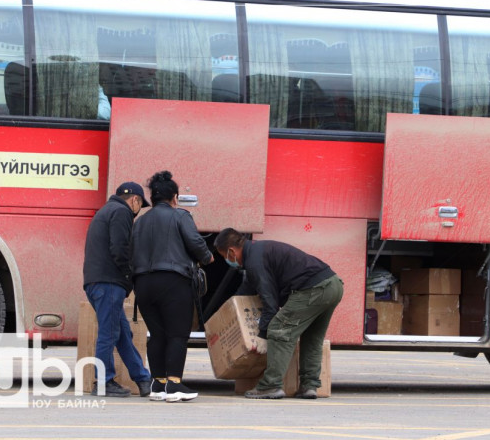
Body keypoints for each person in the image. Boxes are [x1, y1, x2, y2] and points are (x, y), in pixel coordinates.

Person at [213, 228, 343, 399]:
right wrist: (228, 310)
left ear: (231, 251)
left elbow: (270, 303)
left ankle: (270, 385)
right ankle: (309, 385)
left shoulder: (254, 260)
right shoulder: (257, 252)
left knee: (279, 329)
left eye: (225, 256)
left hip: (314, 288)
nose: (228, 260)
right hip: (333, 285)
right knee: (312, 337)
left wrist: (263, 334)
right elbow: (248, 289)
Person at [131, 171, 214, 402]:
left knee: (157, 334)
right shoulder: (181, 216)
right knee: (177, 334)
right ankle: (175, 384)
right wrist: (207, 257)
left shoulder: (140, 222)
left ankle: (158, 384)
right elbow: (195, 242)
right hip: (173, 281)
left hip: (143, 284)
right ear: (174, 197)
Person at [83, 181, 152, 397]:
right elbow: (120, 249)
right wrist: (129, 277)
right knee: (109, 332)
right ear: (135, 200)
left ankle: (142, 378)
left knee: (122, 333)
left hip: (97, 282)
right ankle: (103, 382)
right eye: (140, 205)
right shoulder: (121, 213)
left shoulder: (106, 211)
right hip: (109, 283)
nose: (138, 210)